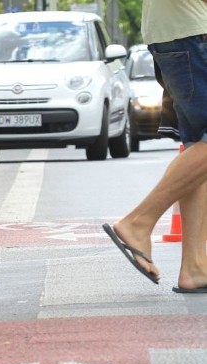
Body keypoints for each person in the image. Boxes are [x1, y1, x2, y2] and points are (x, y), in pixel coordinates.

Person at [104, 0, 207, 293]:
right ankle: (138, 222)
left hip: (179, 33)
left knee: (198, 146)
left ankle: (195, 268)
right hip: (193, 34)